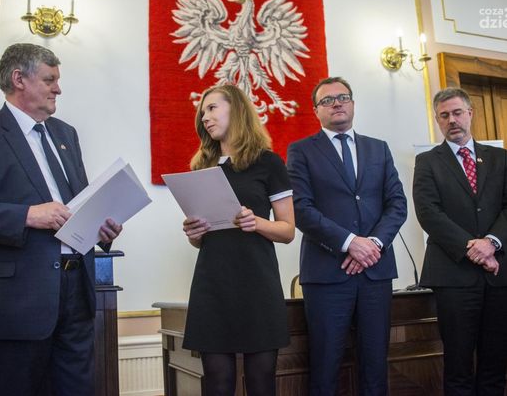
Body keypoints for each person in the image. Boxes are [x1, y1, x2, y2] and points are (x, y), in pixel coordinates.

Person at [0, 43, 123, 396]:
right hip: (17, 299)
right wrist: (27, 215)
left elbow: (79, 205)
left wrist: (102, 228)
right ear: (19, 79)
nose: (58, 89)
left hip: (77, 292)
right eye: (50, 80)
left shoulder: (66, 134)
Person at [286, 77, 407, 395]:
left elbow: (397, 204)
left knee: (375, 366)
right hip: (327, 274)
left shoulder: (378, 148)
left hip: (375, 272)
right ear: (316, 110)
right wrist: (350, 243)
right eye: (327, 100)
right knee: (325, 367)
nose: (337, 103)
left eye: (343, 97)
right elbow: (301, 208)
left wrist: (373, 245)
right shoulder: (301, 151)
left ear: (353, 103)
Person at [181, 84, 295, 396]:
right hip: (212, 284)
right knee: (217, 383)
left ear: (237, 109)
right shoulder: (201, 166)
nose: (205, 117)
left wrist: (256, 222)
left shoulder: (269, 162)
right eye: (202, 112)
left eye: (212, 108)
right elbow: (202, 240)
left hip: (257, 283)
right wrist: (194, 233)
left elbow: (288, 231)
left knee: (261, 382)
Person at [413, 87, 507, 395]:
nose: (452, 120)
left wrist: (491, 242)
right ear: (437, 120)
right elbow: (429, 213)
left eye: (457, 113)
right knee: (458, 365)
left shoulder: (500, 158)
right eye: (444, 115)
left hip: (499, 276)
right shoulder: (427, 161)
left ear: (470, 113)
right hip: (453, 276)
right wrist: (473, 248)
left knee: (496, 364)